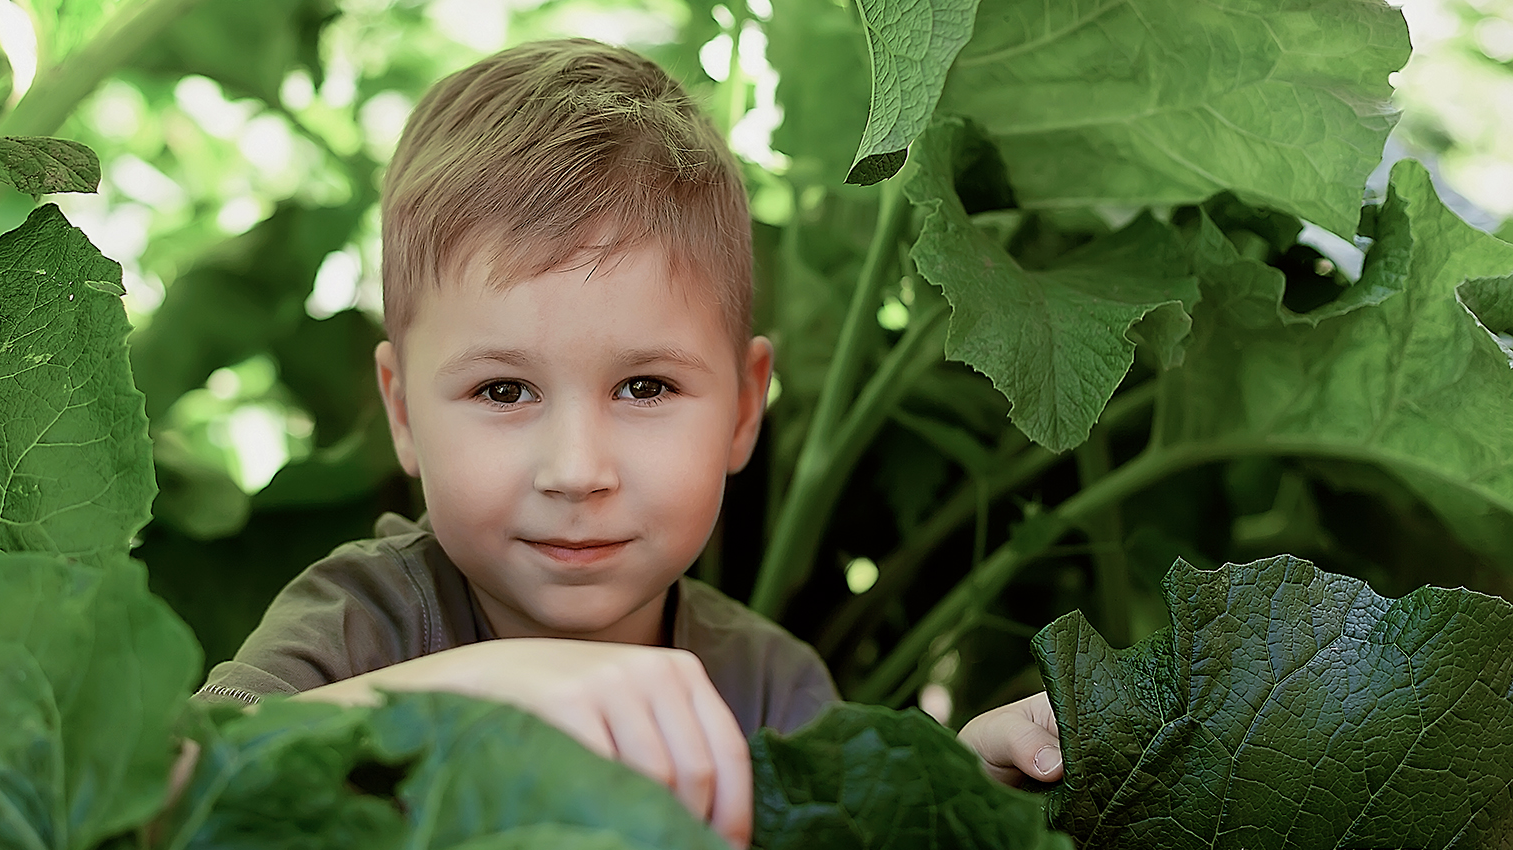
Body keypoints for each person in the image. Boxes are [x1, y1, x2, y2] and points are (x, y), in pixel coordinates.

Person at [192, 38, 1060, 848]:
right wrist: (478, 691)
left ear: (743, 409)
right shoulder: (364, 622)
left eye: (645, 387)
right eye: (504, 389)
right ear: (404, 413)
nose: (578, 471)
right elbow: (173, 781)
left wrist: (960, 787)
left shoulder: (772, 689)